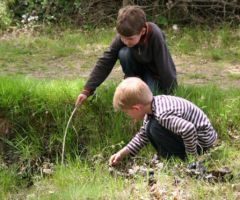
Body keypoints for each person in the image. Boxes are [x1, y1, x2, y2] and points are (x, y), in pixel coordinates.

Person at [75, 5, 177, 106]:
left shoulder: (155, 35)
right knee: (124, 53)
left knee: (148, 99)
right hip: (136, 70)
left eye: (130, 39)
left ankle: (143, 85)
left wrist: (171, 95)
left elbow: (165, 66)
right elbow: (106, 60)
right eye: (122, 38)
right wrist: (87, 90)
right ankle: (131, 81)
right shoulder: (124, 35)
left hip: (153, 74)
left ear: (142, 31)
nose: (126, 41)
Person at [109, 77, 217, 166]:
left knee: (154, 128)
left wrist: (192, 159)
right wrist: (121, 153)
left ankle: (179, 158)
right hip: (196, 139)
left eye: (126, 112)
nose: (127, 115)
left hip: (202, 143)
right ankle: (166, 156)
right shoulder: (152, 107)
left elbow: (188, 129)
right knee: (149, 128)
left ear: (136, 108)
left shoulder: (162, 115)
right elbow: (142, 137)